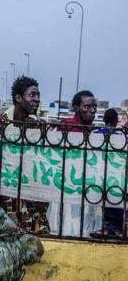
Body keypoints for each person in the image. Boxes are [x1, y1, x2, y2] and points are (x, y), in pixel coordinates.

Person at [47, 90, 101, 238]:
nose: (92, 111)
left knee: (85, 226)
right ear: (76, 108)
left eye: (94, 107)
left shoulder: (95, 132)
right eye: (87, 107)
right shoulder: (66, 127)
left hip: (87, 188)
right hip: (66, 186)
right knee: (65, 224)